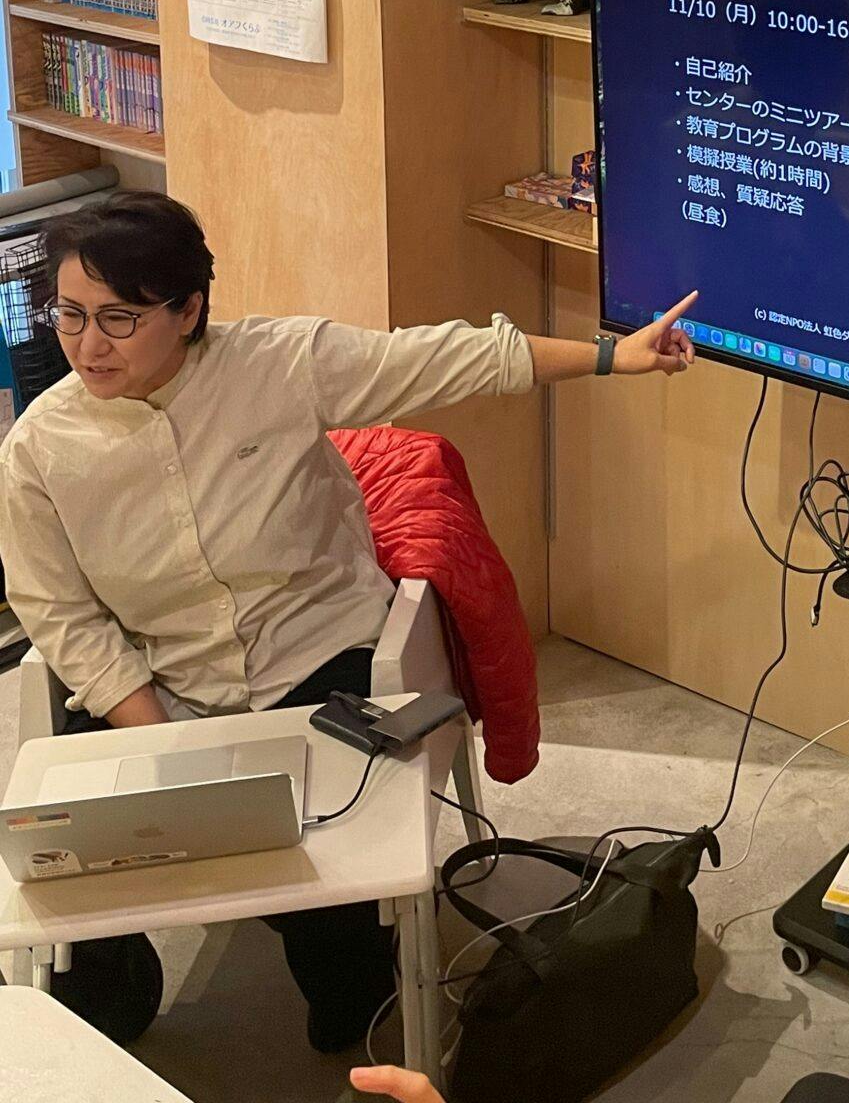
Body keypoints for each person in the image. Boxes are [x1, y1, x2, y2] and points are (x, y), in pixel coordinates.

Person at [0, 191, 695, 1054]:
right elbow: (61, 615)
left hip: (312, 651)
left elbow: (439, 359)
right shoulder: (39, 448)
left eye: (119, 318)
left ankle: (342, 958)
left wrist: (613, 355)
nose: (87, 346)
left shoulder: (276, 363)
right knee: (66, 874)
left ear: (188, 311)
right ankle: (118, 983)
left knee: (341, 961)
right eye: (69, 315)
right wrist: (161, 742)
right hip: (157, 678)